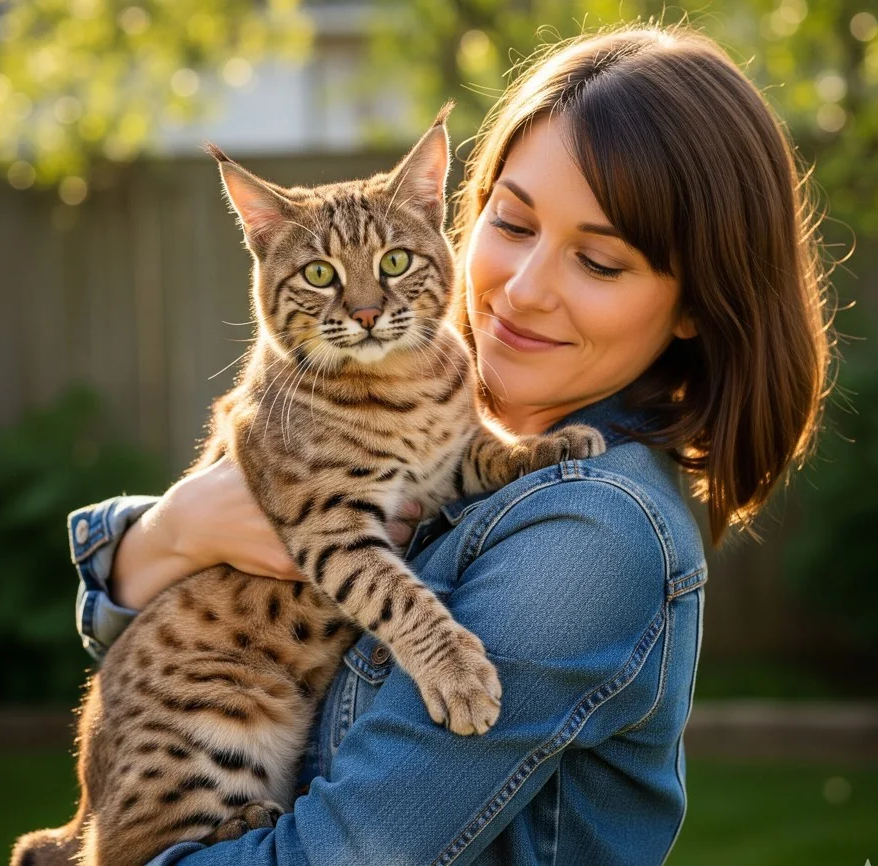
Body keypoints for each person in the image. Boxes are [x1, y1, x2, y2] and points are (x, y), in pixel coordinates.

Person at [68, 24, 831, 865]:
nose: (526, 289)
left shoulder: (590, 540)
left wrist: (161, 545)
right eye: (510, 222)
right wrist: (159, 539)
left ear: (696, 304)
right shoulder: (451, 398)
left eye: (601, 262)